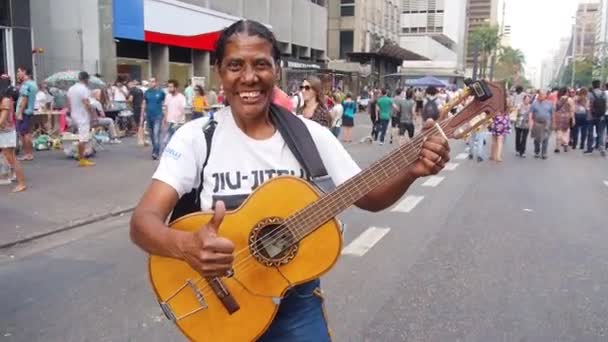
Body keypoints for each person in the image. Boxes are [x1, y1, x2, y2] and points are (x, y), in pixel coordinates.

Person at [129, 20, 450, 342]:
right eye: (235, 66)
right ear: (219, 72)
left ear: (277, 71)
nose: (249, 77)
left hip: (296, 305)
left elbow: (368, 197)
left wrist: (411, 170)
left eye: (261, 65)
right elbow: (143, 222)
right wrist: (185, 246)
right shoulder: (196, 137)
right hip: (224, 299)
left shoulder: (310, 137)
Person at [66, 71, 96, 167]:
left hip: (74, 115)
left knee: (80, 137)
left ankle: (80, 156)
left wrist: (70, 113)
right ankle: (82, 159)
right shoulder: (84, 89)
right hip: (82, 116)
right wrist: (93, 115)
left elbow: (69, 103)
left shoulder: (71, 89)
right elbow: (86, 103)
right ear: (86, 79)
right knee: (83, 138)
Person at [0, 89, 26, 192]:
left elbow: (2, 120)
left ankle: (22, 183)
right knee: (9, 157)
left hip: (6, 133)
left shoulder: (5, 101)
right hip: (4, 132)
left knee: (11, 158)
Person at [15, 67, 38, 161]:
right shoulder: (33, 84)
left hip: (24, 112)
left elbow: (24, 99)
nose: (17, 74)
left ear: (24, 72)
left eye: (18, 71)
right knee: (26, 132)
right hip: (28, 111)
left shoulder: (26, 84)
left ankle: (28, 154)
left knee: (24, 133)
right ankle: (29, 153)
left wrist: (20, 112)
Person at [142, 77, 166, 160]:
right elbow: (144, 104)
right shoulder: (147, 93)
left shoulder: (161, 93)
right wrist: (142, 116)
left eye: (152, 82)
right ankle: (155, 149)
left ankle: (156, 152)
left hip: (158, 115)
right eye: (150, 82)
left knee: (156, 134)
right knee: (151, 135)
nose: (151, 83)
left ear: (156, 83)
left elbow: (164, 104)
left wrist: (165, 116)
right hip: (149, 116)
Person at [530, 90, 553, 160]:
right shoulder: (534, 103)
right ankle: (536, 151)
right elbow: (531, 113)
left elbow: (552, 114)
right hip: (537, 123)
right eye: (540, 95)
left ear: (545, 96)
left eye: (543, 95)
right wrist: (531, 123)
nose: (541, 96)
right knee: (537, 139)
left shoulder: (550, 103)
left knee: (546, 138)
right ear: (538, 95)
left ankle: (544, 153)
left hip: (546, 123)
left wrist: (553, 123)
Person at [585, 80, 606, 156]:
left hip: (591, 116)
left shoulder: (589, 94)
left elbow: (587, 106)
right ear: (599, 85)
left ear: (593, 85)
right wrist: (602, 113)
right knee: (600, 133)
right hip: (600, 116)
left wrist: (588, 112)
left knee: (590, 133)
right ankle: (601, 148)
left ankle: (589, 149)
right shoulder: (603, 94)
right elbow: (606, 105)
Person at [163, 79, 187, 146]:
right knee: (167, 141)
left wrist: (179, 121)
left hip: (178, 122)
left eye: (171, 87)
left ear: (175, 88)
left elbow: (183, 110)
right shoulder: (168, 96)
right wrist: (165, 118)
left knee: (172, 140)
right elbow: (166, 107)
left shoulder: (181, 97)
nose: (169, 88)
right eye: (168, 87)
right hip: (169, 121)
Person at [553, 87, 574, 153]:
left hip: (558, 117)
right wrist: (573, 119)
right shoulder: (570, 99)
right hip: (566, 117)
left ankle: (557, 147)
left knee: (559, 131)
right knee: (566, 132)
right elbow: (572, 110)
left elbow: (554, 108)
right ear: (566, 92)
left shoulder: (558, 99)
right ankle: (565, 144)